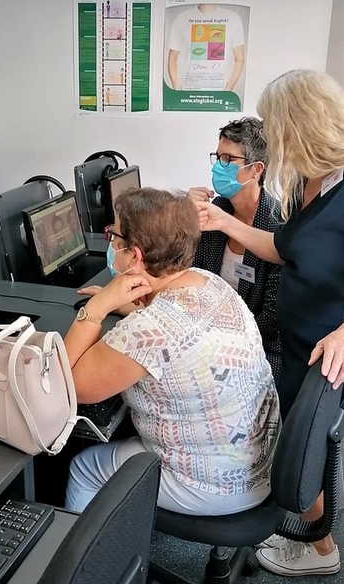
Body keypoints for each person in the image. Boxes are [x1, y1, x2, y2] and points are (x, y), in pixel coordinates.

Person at [195, 69, 344, 576]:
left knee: (302, 454)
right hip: (298, 341)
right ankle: (316, 541)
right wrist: (224, 222)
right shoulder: (312, 180)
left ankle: (321, 553)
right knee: (302, 452)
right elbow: (282, 249)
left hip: (323, 348)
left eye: (278, 127)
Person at [63, 187, 280, 518]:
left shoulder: (149, 331)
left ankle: (90, 565)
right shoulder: (208, 282)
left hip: (215, 487)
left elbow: (71, 385)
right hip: (261, 460)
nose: (110, 245)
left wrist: (97, 307)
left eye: (114, 236)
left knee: (83, 468)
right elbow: (175, 330)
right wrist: (126, 308)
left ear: (134, 256)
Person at [190, 117, 282, 385]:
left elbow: (271, 318)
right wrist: (184, 214)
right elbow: (187, 275)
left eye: (229, 160)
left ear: (256, 170)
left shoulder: (277, 224)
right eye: (218, 157)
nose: (220, 167)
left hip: (258, 349)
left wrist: (221, 343)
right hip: (206, 339)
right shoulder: (218, 207)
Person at [168, 4, 245, 92]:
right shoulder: (182, 18)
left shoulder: (233, 18)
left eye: (217, 34)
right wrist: (176, 87)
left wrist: (229, 88)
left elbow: (240, 58)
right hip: (189, 92)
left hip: (220, 92)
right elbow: (172, 58)